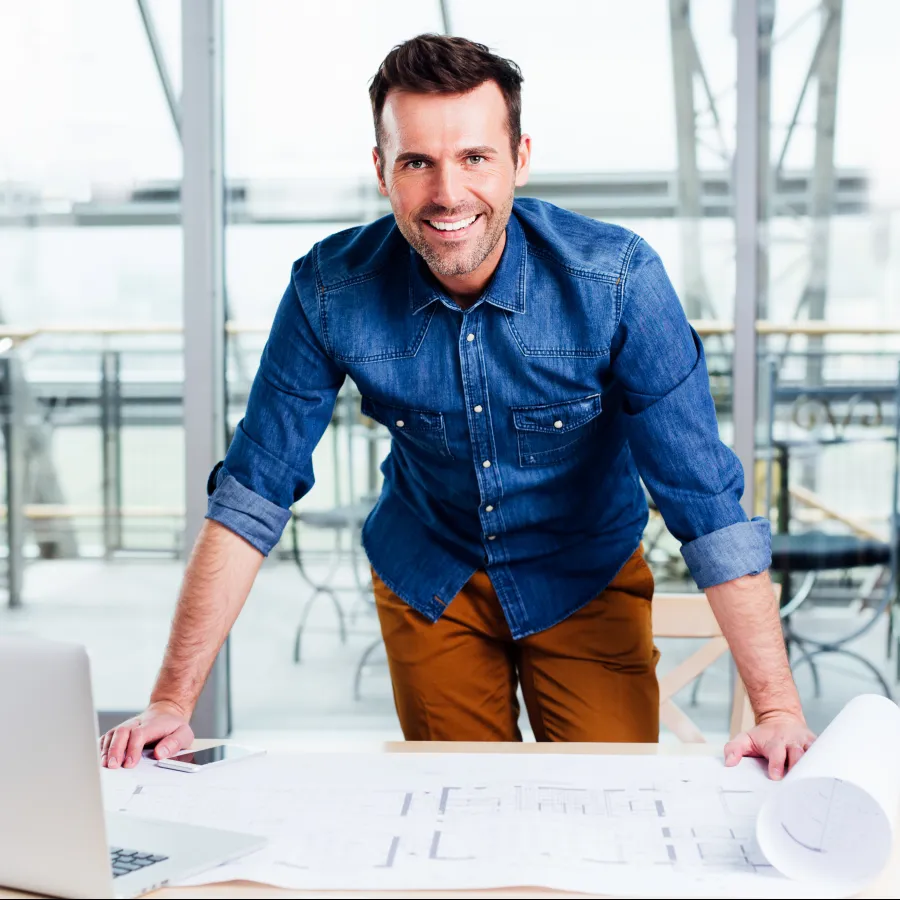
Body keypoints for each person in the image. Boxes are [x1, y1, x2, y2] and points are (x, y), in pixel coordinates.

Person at [102, 34, 813, 777]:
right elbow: (252, 495)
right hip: (429, 575)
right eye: (418, 162)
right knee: (463, 816)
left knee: (611, 805)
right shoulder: (327, 291)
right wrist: (172, 703)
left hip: (583, 575)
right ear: (383, 169)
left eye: (475, 157)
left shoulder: (618, 283)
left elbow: (706, 507)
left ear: (519, 159)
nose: (447, 194)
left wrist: (777, 711)